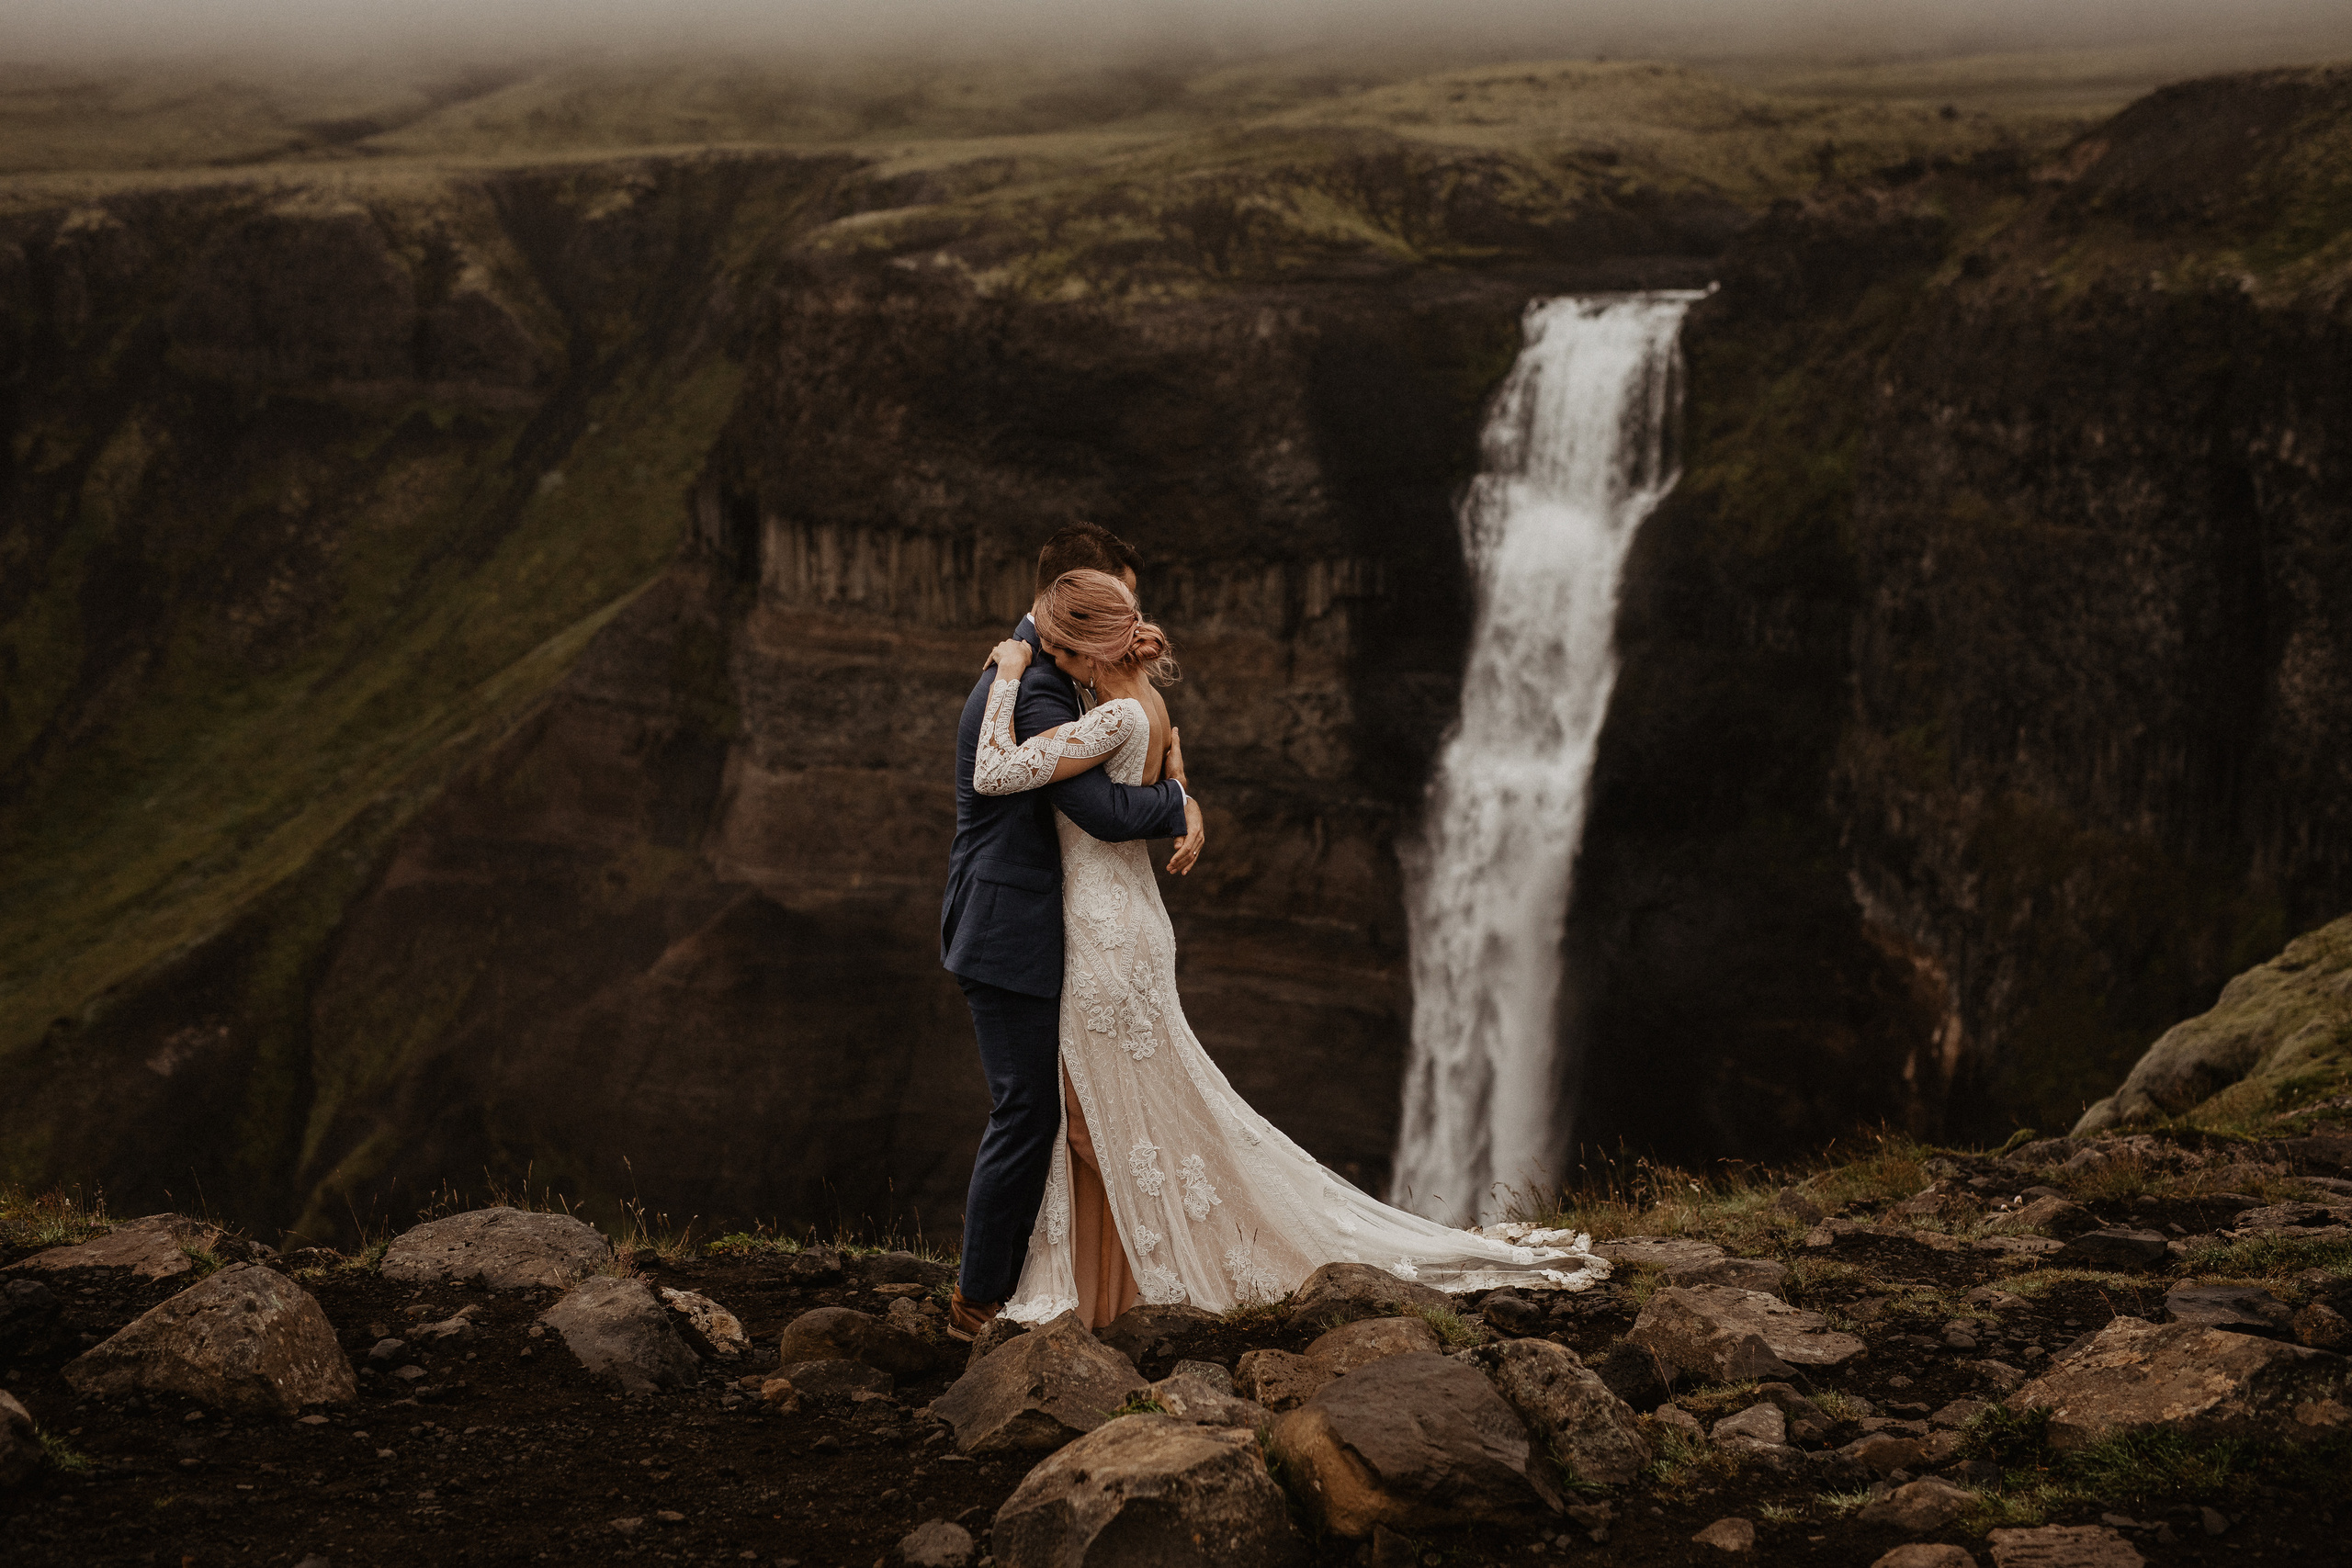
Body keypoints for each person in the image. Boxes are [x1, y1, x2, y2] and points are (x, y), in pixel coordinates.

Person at [966, 564, 1609, 1329]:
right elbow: (1152, 771)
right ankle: (1117, 1285)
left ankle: (1171, 1258)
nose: (1048, 655)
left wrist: (1010, 674)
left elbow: (994, 771)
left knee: (1101, 1117)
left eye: (1060, 649)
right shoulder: (1146, 705)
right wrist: (1179, 795)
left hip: (1104, 936)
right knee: (1128, 1111)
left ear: (1096, 650)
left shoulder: (1109, 717)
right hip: (1127, 923)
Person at [940, 524, 1204, 1339]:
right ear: (1074, 600)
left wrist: (1178, 786)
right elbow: (1094, 809)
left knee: (1053, 1112)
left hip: (1042, 921)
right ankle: (978, 1301)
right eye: (1118, 603)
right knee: (1029, 1112)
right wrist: (1178, 801)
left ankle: (1080, 1279)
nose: (1132, 624)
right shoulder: (1033, 686)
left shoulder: (1052, 676)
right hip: (1009, 927)